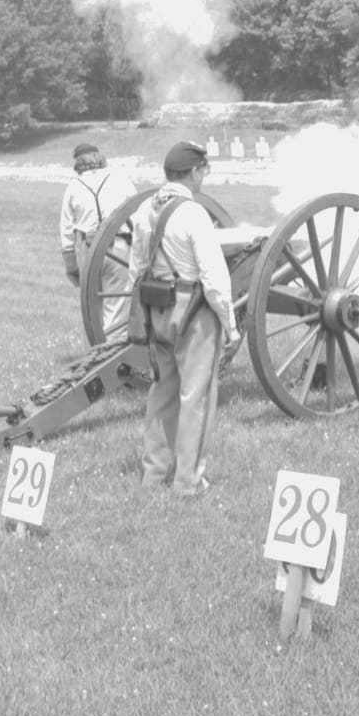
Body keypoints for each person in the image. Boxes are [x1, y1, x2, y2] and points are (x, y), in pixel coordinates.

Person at [127, 140, 239, 497]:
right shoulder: (193, 214)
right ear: (193, 172)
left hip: (157, 308)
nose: (204, 177)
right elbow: (215, 279)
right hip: (193, 311)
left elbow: (136, 268)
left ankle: (154, 473)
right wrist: (231, 326)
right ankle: (189, 479)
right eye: (203, 170)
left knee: (162, 391)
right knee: (197, 397)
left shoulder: (147, 209)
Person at [59, 143, 138, 341]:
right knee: (116, 306)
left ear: (77, 163)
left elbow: (66, 232)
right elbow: (139, 213)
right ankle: (112, 352)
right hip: (118, 250)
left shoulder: (73, 187)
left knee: (94, 308)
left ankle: (99, 347)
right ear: (100, 158)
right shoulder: (120, 179)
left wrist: (72, 267)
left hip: (89, 251)